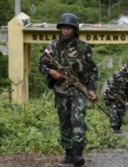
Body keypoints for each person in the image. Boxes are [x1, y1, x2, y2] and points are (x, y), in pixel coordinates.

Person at [39, 13, 98, 166]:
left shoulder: (84, 47)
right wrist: (52, 72)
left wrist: (91, 90)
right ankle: (69, 153)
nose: (65, 31)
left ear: (75, 29)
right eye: (63, 28)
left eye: (69, 28)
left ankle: (78, 153)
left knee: (77, 119)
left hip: (79, 90)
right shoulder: (53, 46)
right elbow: (42, 64)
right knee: (64, 122)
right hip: (61, 91)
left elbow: (93, 71)